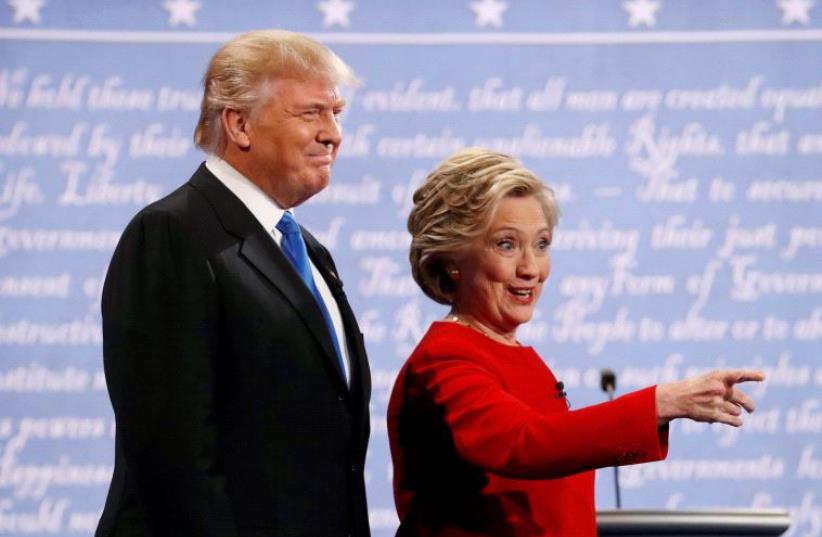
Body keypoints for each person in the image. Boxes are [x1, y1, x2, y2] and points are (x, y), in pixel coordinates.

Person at [387, 147, 764, 537]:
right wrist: (661, 403)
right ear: (453, 257)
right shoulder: (445, 358)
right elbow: (523, 443)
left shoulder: (509, 353)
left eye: (541, 244)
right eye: (506, 244)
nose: (530, 268)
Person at [96, 30, 371, 537]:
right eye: (311, 112)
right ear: (239, 123)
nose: (333, 133)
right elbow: (174, 458)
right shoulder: (172, 234)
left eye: (337, 113)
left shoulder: (308, 251)